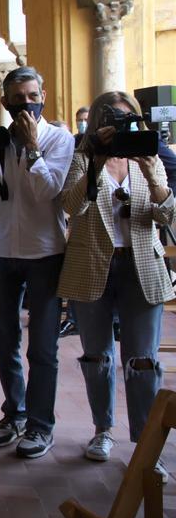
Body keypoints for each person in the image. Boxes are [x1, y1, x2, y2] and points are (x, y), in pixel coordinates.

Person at [57, 91, 174, 472]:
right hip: (91, 264)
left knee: (142, 360)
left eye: (127, 119)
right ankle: (102, 429)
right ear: (97, 125)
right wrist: (97, 162)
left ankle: (145, 442)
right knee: (97, 356)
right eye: (112, 120)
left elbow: (166, 213)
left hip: (141, 266)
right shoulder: (84, 157)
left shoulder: (150, 155)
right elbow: (71, 205)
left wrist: (153, 177)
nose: (120, 127)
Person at [0, 66, 74, 459]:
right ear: (5, 101)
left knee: (44, 348)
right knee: (5, 340)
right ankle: (14, 414)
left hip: (44, 252)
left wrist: (33, 147)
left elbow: (47, 190)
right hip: (2, 250)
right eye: (17, 100)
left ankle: (40, 424)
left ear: (43, 94)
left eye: (32, 96)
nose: (26, 105)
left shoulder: (59, 139)